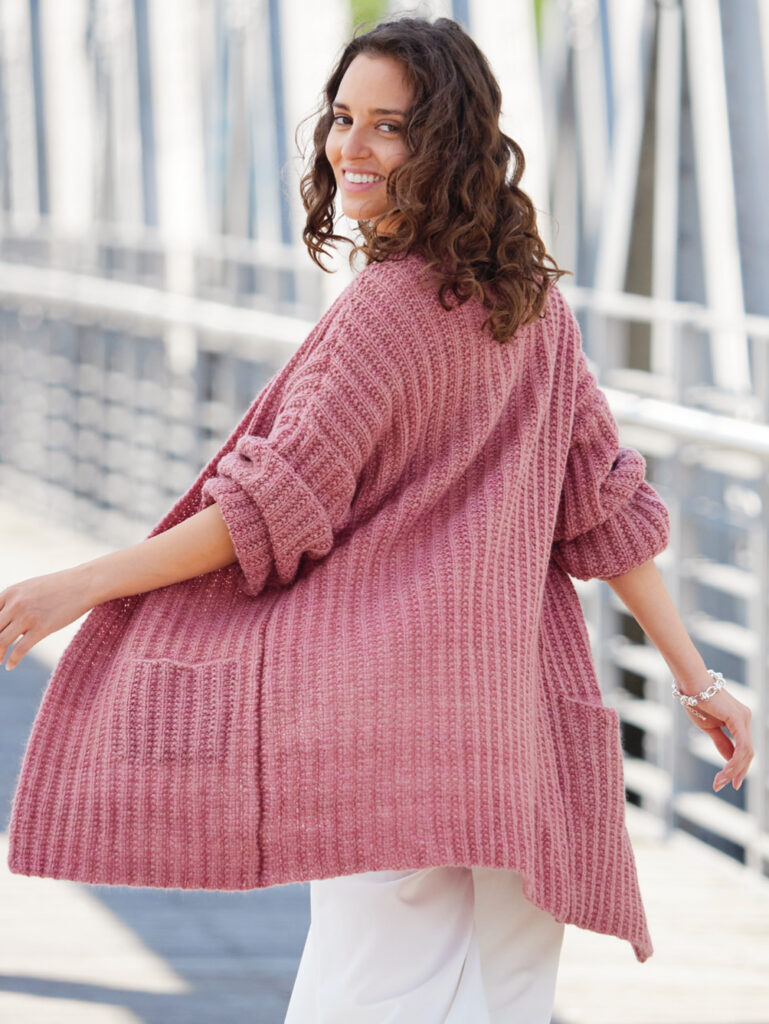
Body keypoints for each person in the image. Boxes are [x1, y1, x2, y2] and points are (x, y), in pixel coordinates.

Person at [1, 15, 754, 1024]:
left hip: (389, 732)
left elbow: (267, 506)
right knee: (503, 1004)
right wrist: (698, 679)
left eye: (388, 126)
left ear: (445, 143)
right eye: (342, 117)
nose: (349, 146)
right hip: (514, 740)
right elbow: (604, 515)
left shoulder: (386, 307)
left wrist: (81, 583)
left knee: (361, 1000)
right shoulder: (532, 307)